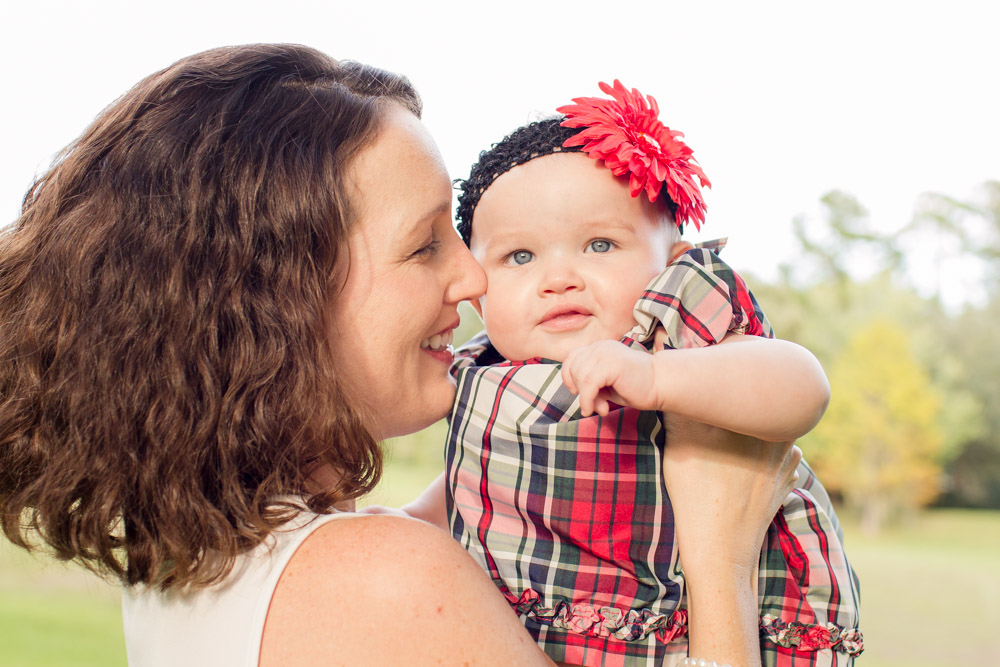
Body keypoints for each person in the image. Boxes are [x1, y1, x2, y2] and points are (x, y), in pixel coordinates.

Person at [0, 45, 802, 667]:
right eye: (425, 246)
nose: (474, 276)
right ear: (279, 300)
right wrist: (720, 556)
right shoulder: (380, 579)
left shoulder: (190, 554)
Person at [400, 83, 861, 666]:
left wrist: (658, 377)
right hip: (537, 635)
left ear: (670, 263)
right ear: (476, 289)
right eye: (520, 257)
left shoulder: (671, 331)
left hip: (696, 625)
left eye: (599, 244)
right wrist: (401, 525)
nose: (559, 277)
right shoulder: (485, 374)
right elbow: (473, 488)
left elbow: (802, 386)